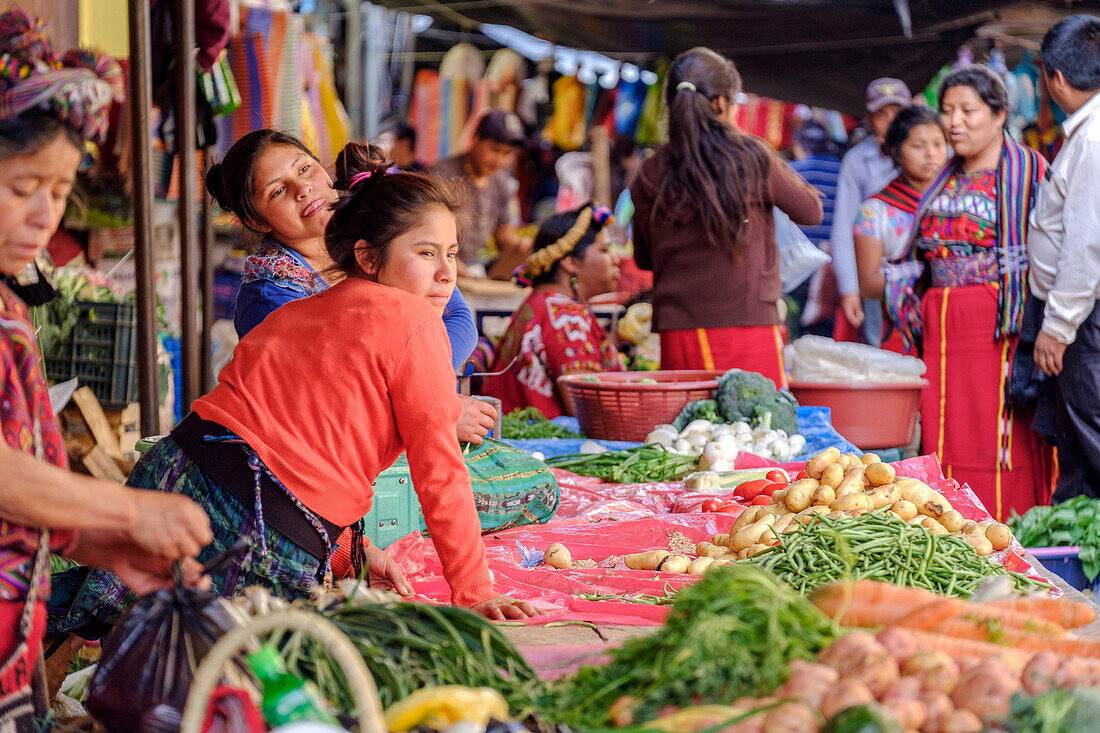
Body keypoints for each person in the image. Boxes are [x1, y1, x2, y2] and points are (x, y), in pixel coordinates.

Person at [57, 152, 539, 632]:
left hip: (176, 470)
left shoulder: (302, 309)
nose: (446, 273)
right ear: (369, 257)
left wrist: (352, 552)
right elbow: (440, 472)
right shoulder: (414, 323)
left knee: (106, 612)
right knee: (213, 665)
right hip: (256, 516)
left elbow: (315, 438)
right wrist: (475, 591)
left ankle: (18, 597)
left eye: (451, 253)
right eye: (426, 253)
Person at [0, 10, 211, 723]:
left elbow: (18, 490)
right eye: (23, 186)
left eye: (57, 193)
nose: (43, 217)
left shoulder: (11, 301)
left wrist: (107, 546)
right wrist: (130, 508)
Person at [905, 65, 1053, 521]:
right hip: (943, 328)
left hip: (1000, 326)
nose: (954, 122)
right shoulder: (944, 176)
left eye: (968, 110)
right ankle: (950, 529)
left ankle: (1008, 533)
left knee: (998, 439)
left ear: (999, 114)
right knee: (946, 433)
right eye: (947, 111)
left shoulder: (1028, 170)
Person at [206, 130, 476, 373]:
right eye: (277, 191)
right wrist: (429, 398)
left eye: (304, 168)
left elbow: (460, 319)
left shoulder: (373, 223)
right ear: (257, 221)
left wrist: (425, 385)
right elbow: (339, 385)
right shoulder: (269, 300)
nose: (303, 189)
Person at [629, 47, 823, 385]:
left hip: (681, 332)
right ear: (721, 103)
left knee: (691, 433)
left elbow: (645, 260)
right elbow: (811, 211)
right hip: (749, 324)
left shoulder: (649, 171)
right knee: (759, 430)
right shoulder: (751, 156)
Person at [1028, 15, 1100, 501]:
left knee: (1091, 434)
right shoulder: (1087, 133)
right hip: (1083, 314)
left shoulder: (1092, 140)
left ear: (1055, 78)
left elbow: (1086, 243)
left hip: (1086, 317)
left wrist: (1058, 325)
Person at [482, 203, 624, 417]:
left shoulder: (540, 303)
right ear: (570, 261)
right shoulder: (565, 315)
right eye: (604, 250)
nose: (616, 259)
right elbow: (589, 410)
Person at [854, 105, 948, 352]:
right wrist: (926, 275)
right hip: (901, 333)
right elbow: (867, 284)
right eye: (918, 146)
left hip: (953, 326)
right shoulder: (874, 211)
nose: (931, 154)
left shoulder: (958, 203)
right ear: (895, 151)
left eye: (939, 144)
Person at [831, 77, 912, 343]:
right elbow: (843, 228)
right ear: (868, 119)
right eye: (882, 114)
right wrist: (849, 288)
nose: (890, 121)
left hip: (924, 275)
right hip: (878, 281)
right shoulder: (857, 160)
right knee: (883, 349)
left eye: (898, 113)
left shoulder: (933, 151)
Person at [428, 109, 533, 279]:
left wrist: (522, 246)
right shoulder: (440, 175)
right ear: (475, 139)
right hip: (436, 270)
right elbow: (428, 235)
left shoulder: (501, 183)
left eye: (507, 154)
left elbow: (503, 234)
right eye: (495, 150)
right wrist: (459, 271)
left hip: (467, 271)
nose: (499, 160)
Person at [788, 120, 842, 335]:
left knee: (799, 333)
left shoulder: (791, 171)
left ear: (799, 146)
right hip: (832, 266)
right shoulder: (842, 170)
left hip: (799, 266)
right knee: (827, 336)